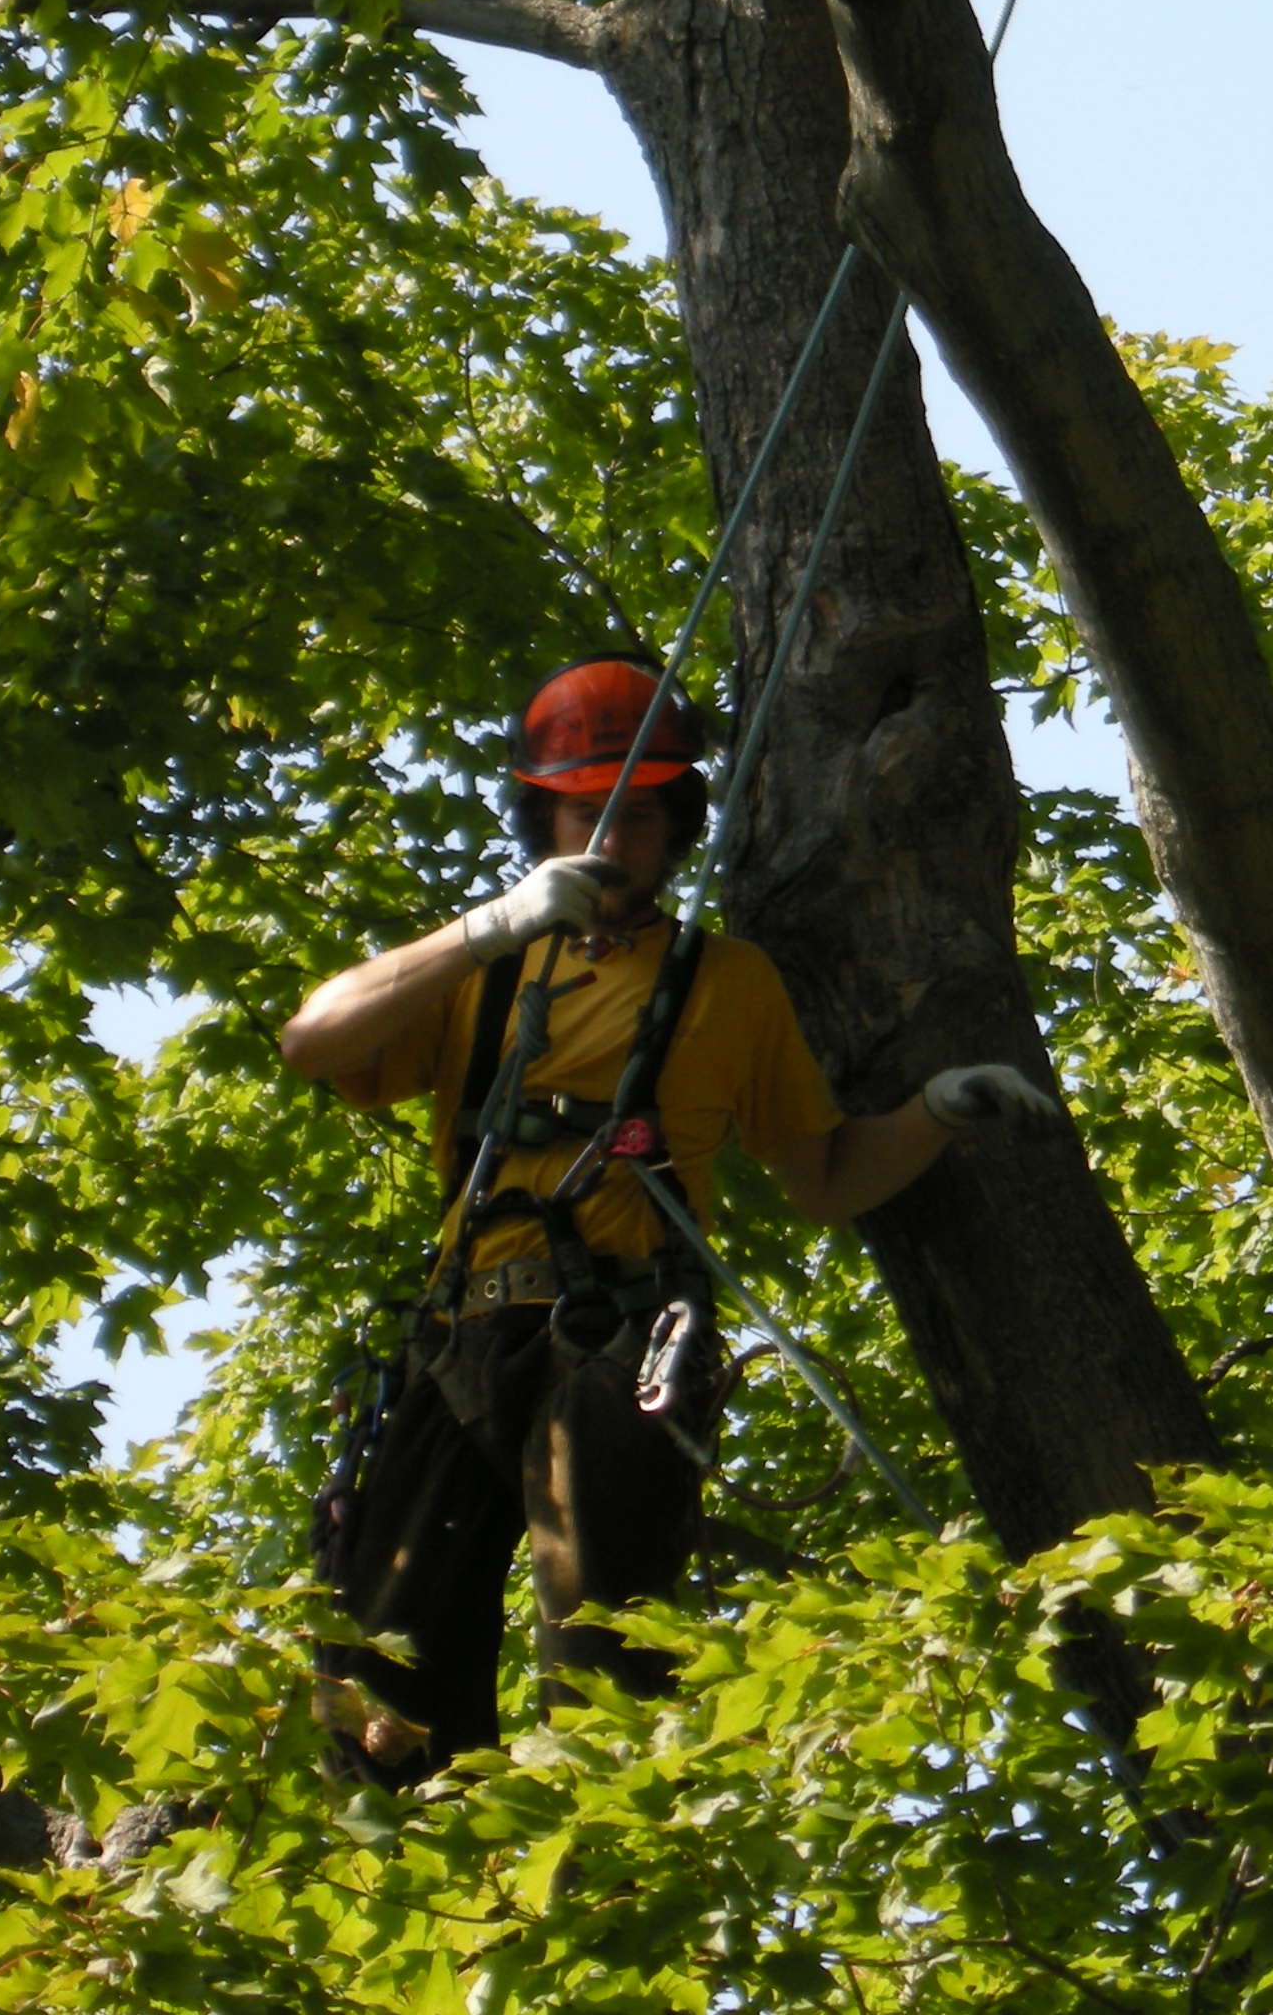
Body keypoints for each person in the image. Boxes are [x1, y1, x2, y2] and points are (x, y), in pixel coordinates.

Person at [281, 653, 1058, 1783]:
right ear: (539, 817)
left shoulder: (726, 983)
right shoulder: (481, 969)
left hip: (617, 1338)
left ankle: (601, 1876)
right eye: (581, 812)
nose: (608, 840)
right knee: (373, 1671)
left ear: (677, 825)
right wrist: (486, 929)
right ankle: (416, 1889)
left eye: (636, 817)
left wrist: (936, 1113)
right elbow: (314, 1039)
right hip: (461, 1339)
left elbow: (823, 1175)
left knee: (606, 1666)